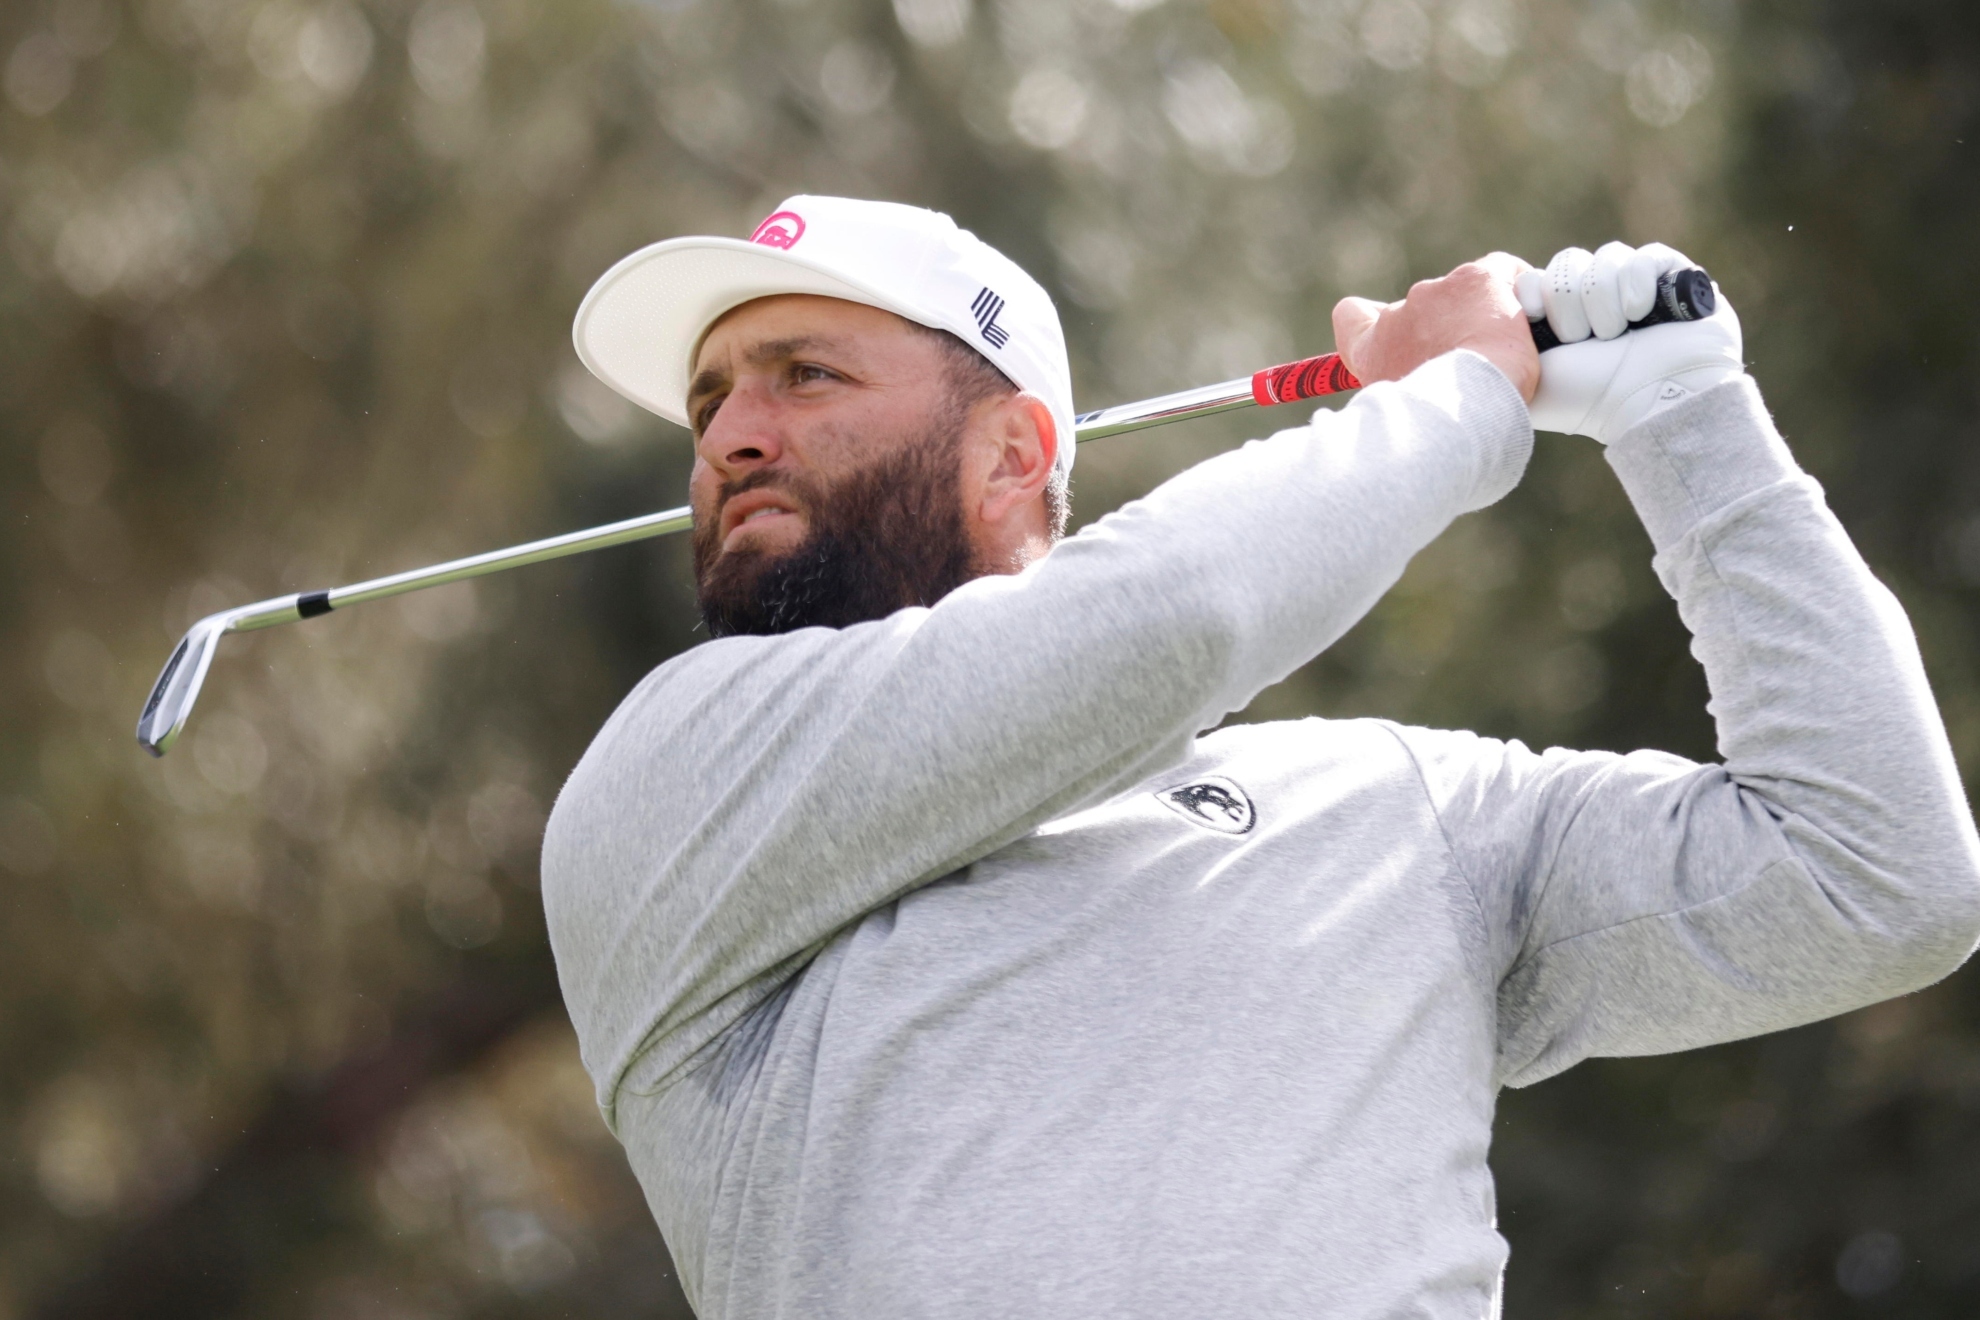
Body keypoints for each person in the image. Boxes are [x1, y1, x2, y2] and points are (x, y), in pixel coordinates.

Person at [542, 195, 1980, 1318]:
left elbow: (1875, 874)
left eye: (802, 374)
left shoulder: (1400, 812)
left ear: (1011, 454)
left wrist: (1688, 417)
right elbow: (1168, 619)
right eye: (710, 399)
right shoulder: (675, 782)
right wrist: (1457, 401)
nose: (731, 433)